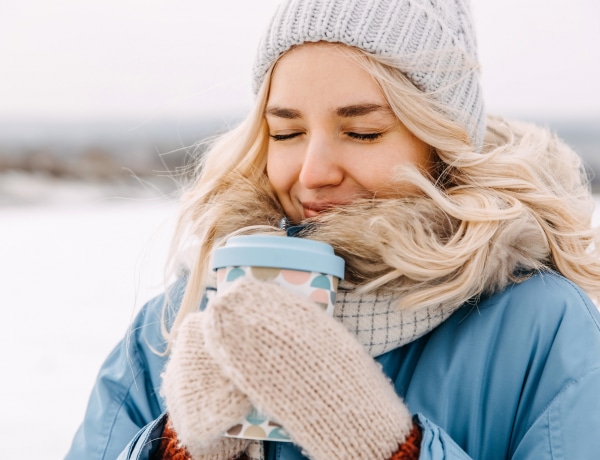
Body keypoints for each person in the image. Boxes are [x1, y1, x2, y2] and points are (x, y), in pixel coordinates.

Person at [66, 0, 600, 459]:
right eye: (287, 131)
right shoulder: (177, 321)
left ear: (441, 144)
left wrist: (388, 447)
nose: (314, 172)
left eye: (363, 133)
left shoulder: (541, 328)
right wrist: (180, 449)